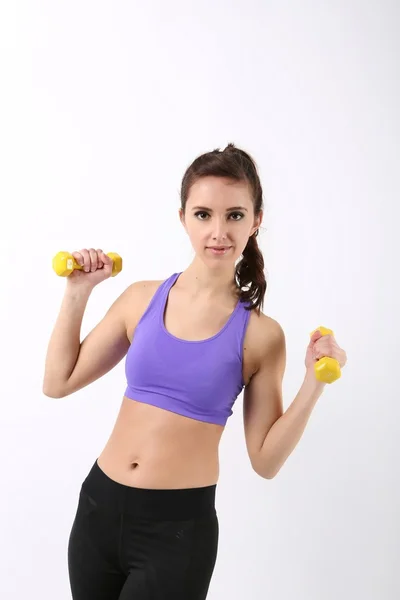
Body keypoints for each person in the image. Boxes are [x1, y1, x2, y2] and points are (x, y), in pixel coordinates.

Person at [43, 143, 347, 600]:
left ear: (257, 220)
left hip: (176, 532)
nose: (219, 231)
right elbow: (57, 382)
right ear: (182, 217)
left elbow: (265, 462)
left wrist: (314, 383)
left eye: (236, 215)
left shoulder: (261, 336)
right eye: (203, 214)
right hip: (98, 509)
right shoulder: (140, 298)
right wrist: (78, 291)